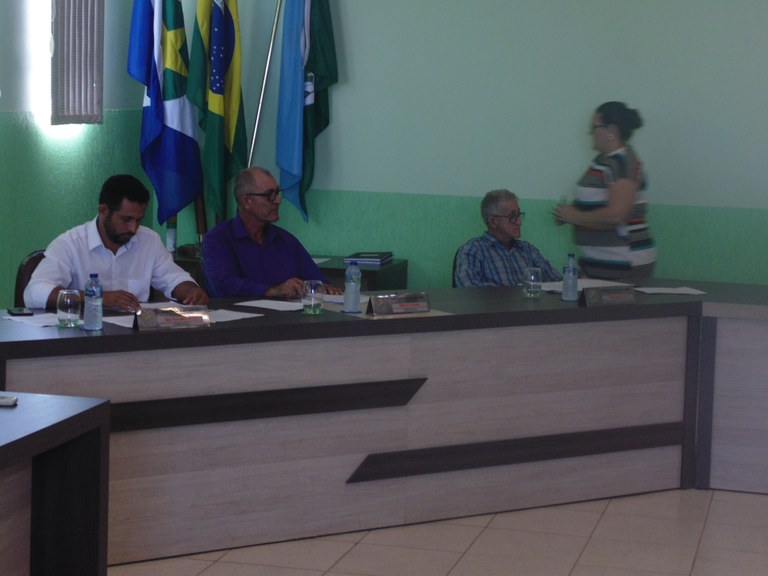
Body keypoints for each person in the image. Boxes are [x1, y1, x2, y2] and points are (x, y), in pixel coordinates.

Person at [24, 174, 208, 311]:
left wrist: (192, 291)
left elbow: (174, 279)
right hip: (81, 337)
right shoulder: (70, 244)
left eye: (139, 220)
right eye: (126, 219)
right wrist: (98, 297)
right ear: (103, 211)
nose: (133, 228)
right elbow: (34, 292)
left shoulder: (149, 240)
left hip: (134, 338)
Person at [553, 101, 656, 283]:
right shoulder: (605, 161)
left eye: (594, 127)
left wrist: (574, 216)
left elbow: (616, 215)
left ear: (611, 130)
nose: (590, 133)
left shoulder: (621, 162)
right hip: (604, 265)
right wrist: (570, 214)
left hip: (624, 264)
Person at [201, 167, 341, 299]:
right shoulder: (217, 239)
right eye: (269, 195)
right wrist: (271, 291)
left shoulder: (285, 240)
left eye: (277, 193)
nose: (278, 200)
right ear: (247, 201)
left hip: (285, 315)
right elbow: (223, 286)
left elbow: (316, 280)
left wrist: (325, 288)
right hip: (235, 315)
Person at [454, 189, 561, 287]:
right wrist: (511, 295)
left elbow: (558, 282)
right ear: (493, 221)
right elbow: (467, 287)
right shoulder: (473, 250)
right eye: (512, 216)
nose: (519, 222)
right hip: (494, 303)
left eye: (519, 215)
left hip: (528, 303)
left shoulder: (527, 249)